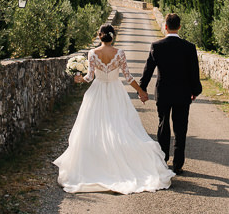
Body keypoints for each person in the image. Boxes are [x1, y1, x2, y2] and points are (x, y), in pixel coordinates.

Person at [53, 24, 174, 194]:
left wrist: (77, 79)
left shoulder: (93, 53)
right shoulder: (120, 53)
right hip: (116, 92)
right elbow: (128, 76)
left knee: (95, 127)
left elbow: (89, 77)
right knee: (120, 126)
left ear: (99, 36)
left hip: (97, 92)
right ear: (113, 36)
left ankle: (97, 162)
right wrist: (140, 91)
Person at [139, 13, 203, 174]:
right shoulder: (189, 47)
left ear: (166, 26)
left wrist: (142, 89)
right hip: (183, 93)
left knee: (163, 125)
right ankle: (178, 163)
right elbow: (194, 72)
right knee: (181, 128)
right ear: (179, 27)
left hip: (163, 92)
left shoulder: (157, 45)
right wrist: (195, 91)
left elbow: (148, 70)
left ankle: (163, 158)